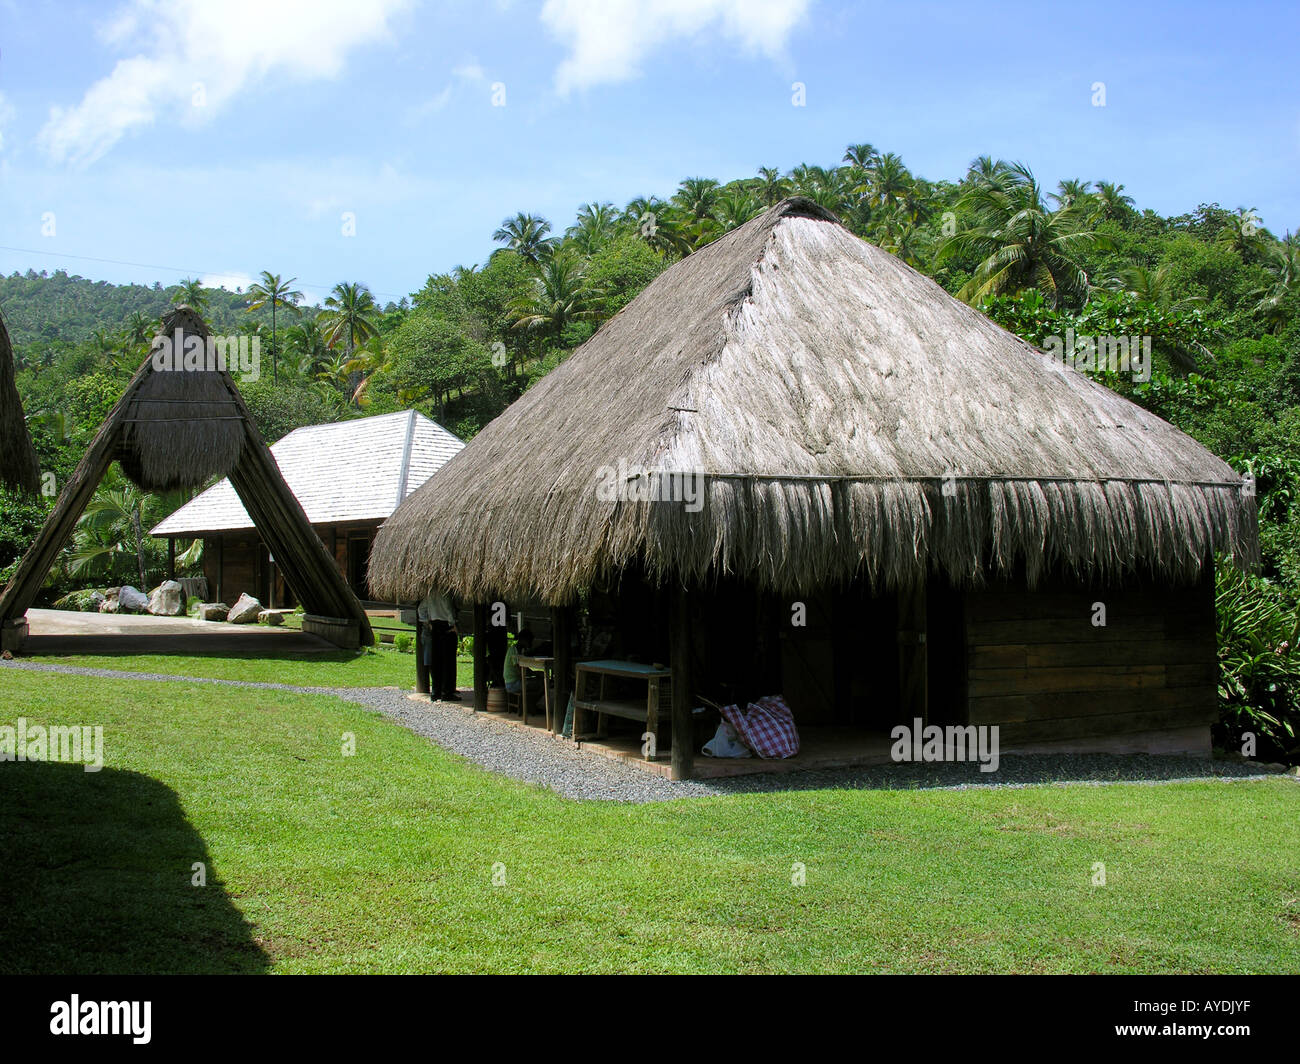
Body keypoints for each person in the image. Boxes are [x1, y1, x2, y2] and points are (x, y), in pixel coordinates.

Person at [418, 588, 459, 702]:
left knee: (436, 660)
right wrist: (453, 624)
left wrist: (427, 621)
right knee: (449, 661)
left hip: (435, 626)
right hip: (446, 626)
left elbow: (421, 609)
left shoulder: (430, 593)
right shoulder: (445, 592)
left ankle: (436, 692)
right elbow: (448, 609)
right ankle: (447, 692)